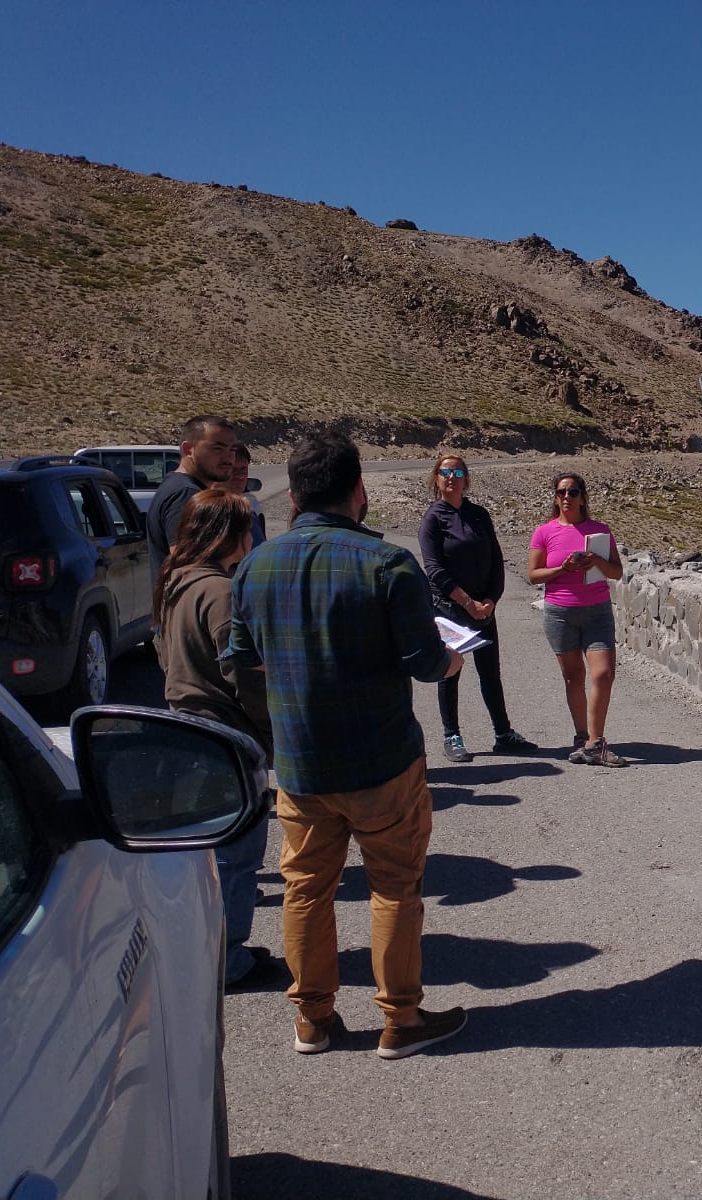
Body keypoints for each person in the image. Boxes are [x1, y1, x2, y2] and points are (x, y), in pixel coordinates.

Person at [229, 432, 469, 1059]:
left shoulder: (256, 565)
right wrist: (451, 661)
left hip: (301, 763)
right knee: (394, 886)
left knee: (306, 889)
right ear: (359, 490)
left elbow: (243, 657)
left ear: (294, 494)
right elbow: (425, 663)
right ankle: (401, 1020)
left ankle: (312, 1019)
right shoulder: (387, 564)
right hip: (381, 760)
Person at [156, 488, 280, 991]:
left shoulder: (176, 580)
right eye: (248, 528)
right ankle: (228, 960)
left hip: (185, 725)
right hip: (225, 733)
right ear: (230, 535)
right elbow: (243, 672)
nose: (253, 536)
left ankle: (213, 948)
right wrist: (270, 731)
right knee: (237, 853)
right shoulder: (221, 592)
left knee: (208, 850)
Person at [418, 452, 536, 762]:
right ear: (436, 479)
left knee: (490, 672)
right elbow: (434, 569)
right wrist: (467, 602)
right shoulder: (433, 518)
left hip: (484, 608)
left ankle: (503, 733)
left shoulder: (479, 515)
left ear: (466, 479)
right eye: (446, 472)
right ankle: (452, 735)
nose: (452, 477)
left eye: (458, 473)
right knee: (450, 671)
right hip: (449, 609)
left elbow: (497, 561)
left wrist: (491, 600)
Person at [527, 472, 627, 767]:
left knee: (603, 674)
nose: (566, 497)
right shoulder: (544, 532)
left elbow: (617, 572)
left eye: (572, 492)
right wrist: (564, 568)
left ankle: (596, 742)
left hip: (596, 610)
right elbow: (533, 575)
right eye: (561, 492)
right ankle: (582, 737)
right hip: (560, 613)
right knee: (573, 676)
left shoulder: (600, 531)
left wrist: (597, 561)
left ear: (583, 497)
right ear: (555, 498)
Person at [147, 414, 238, 582]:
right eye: (217, 448)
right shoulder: (186, 494)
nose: (228, 458)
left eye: (232, 449)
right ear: (189, 449)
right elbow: (187, 565)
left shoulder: (178, 486)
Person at [222, 442, 267, 548]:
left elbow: (260, 549)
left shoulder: (251, 505)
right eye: (233, 469)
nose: (240, 476)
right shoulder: (207, 504)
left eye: (243, 469)